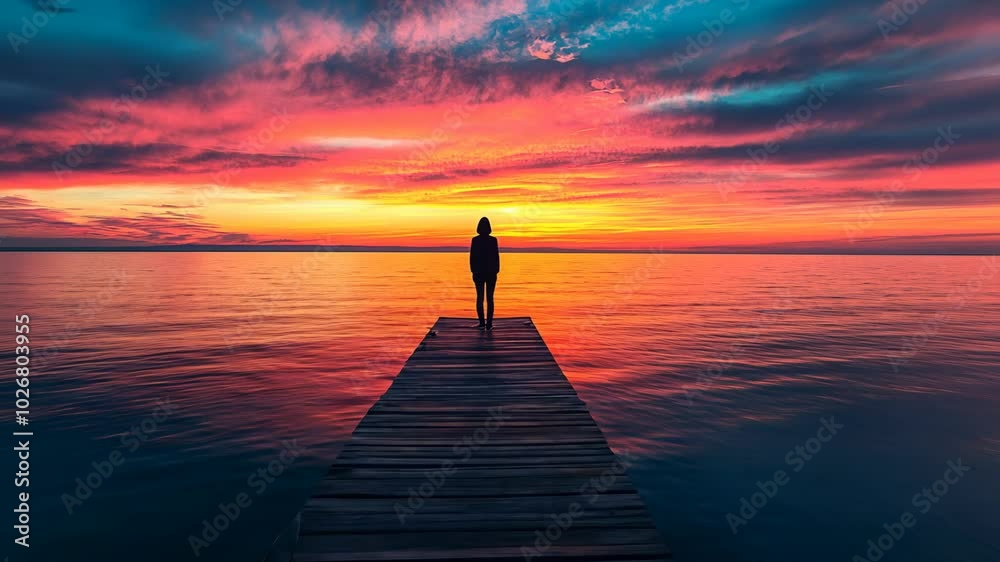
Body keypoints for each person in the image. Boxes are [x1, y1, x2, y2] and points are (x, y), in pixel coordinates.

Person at [469, 217, 500, 330]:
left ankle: (482, 323)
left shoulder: (475, 240)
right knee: (490, 298)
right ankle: (489, 324)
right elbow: (496, 257)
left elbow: (472, 257)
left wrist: (473, 270)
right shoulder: (493, 240)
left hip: (479, 273)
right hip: (491, 272)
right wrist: (496, 270)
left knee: (480, 297)